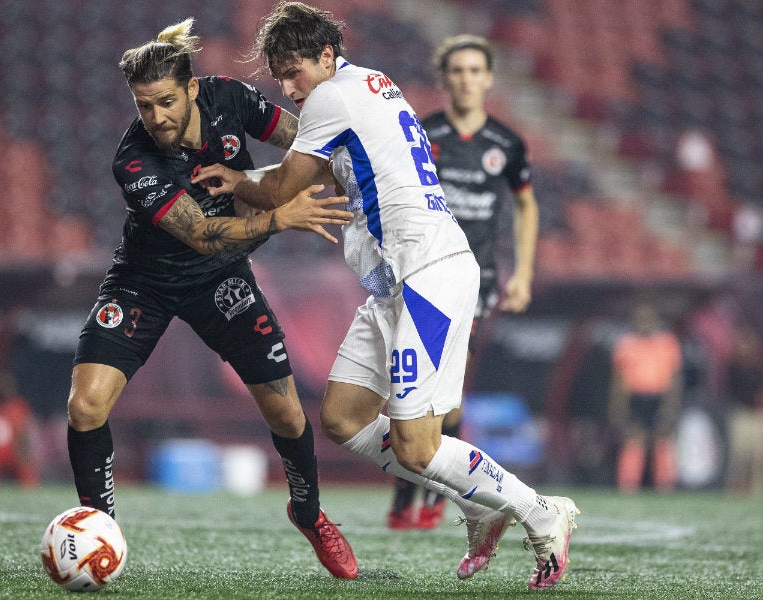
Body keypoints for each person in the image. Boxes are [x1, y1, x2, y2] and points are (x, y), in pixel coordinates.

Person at [192, 2, 577, 589]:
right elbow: (331, 170)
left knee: (418, 446)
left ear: (326, 55)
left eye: (294, 71)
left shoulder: (331, 97)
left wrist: (238, 181)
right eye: (280, 77)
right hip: (394, 283)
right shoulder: (366, 86)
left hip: (428, 273)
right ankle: (476, 503)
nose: (290, 88)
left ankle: (538, 511)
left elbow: (281, 188)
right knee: (344, 417)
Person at [65, 18, 357, 579]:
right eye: (144, 106)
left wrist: (341, 166)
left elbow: (304, 137)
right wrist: (280, 215)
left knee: (289, 412)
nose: (156, 118)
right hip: (143, 282)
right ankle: (99, 527)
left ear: (193, 89)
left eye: (166, 103)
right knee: (85, 405)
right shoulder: (133, 160)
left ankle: (309, 512)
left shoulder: (232, 98)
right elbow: (200, 233)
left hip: (221, 281)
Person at [386, 34, 541, 531]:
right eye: (457, 70)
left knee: (446, 390)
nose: (466, 79)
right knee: (407, 380)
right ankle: (410, 486)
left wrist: (524, 273)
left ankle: (430, 490)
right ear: (444, 78)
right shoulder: (423, 132)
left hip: (475, 280)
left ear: (489, 79)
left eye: (475, 70)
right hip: (420, 271)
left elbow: (525, 204)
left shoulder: (506, 144)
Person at [609, 301, 683, 493]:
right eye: (639, 318)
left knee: (662, 440)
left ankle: (665, 487)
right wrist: (618, 408)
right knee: (634, 440)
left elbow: (674, 378)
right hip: (635, 397)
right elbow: (619, 379)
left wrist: (671, 407)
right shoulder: (626, 344)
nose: (644, 322)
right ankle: (628, 488)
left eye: (647, 318)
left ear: (656, 320)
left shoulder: (667, 343)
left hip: (659, 397)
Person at [722, 329, 763, 495]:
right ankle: (737, 489)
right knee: (740, 455)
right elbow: (736, 390)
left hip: (757, 413)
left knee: (758, 455)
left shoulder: (758, 366)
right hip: (741, 412)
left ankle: (757, 488)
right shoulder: (733, 366)